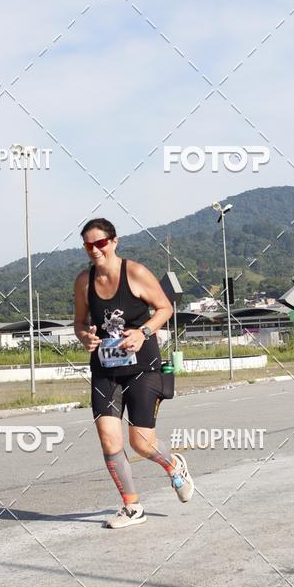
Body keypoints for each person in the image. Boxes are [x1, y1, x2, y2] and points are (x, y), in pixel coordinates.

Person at [73, 218, 195, 529]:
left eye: (100, 243)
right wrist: (84, 336)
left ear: (114, 242)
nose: (95, 250)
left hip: (142, 368)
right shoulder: (83, 282)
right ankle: (131, 507)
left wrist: (142, 332)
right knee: (108, 438)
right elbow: (79, 323)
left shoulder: (136, 273)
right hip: (105, 370)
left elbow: (165, 308)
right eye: (88, 245)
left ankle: (174, 466)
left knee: (141, 443)